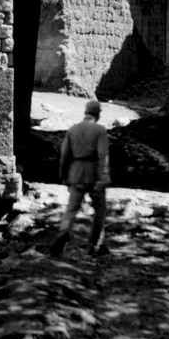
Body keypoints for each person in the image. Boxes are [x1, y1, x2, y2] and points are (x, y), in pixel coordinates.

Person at [49, 99, 111, 257]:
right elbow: (103, 155)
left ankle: (63, 232)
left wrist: (63, 175)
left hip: (76, 172)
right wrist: (103, 177)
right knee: (99, 211)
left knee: (71, 209)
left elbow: (64, 156)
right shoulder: (99, 130)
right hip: (94, 172)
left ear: (85, 112)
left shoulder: (73, 130)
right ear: (97, 114)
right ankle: (94, 244)